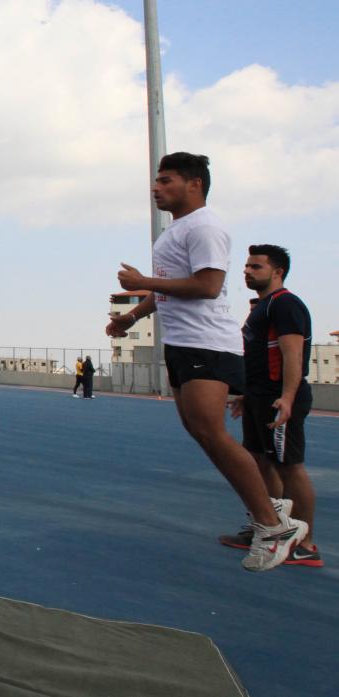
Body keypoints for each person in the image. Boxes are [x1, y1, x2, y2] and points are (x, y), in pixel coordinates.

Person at [106, 152, 305, 572]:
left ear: (194, 183)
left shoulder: (206, 226)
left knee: (212, 433)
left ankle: (272, 525)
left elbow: (208, 285)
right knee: (201, 431)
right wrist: (132, 314)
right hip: (181, 343)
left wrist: (144, 281)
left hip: (206, 344)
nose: (156, 188)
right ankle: (272, 507)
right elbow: (169, 291)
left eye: (165, 180)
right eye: (156, 181)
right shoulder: (176, 231)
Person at [219, 245, 322, 567]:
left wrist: (287, 398)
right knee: (260, 461)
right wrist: (247, 394)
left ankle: (305, 543)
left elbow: (292, 355)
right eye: (246, 266)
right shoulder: (261, 308)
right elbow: (261, 357)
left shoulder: (285, 305)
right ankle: (271, 527)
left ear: (277, 271)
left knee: (289, 467)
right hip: (259, 396)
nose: (247, 272)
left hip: (279, 398)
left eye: (256, 267)